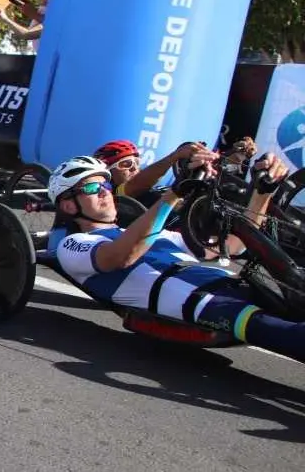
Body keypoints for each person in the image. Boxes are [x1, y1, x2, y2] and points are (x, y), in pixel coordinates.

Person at [46, 154, 305, 362]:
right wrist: (173, 194)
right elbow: (121, 257)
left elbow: (233, 247)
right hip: (202, 305)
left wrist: (262, 192)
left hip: (239, 287)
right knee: (288, 334)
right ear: (69, 205)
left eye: (106, 184)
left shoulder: (151, 232)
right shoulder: (74, 244)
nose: (105, 192)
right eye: (92, 187)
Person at [94, 139, 218, 206]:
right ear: (108, 171)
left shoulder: (159, 189)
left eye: (137, 163)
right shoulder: (113, 197)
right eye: (126, 164)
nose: (134, 168)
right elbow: (136, 185)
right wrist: (174, 156)